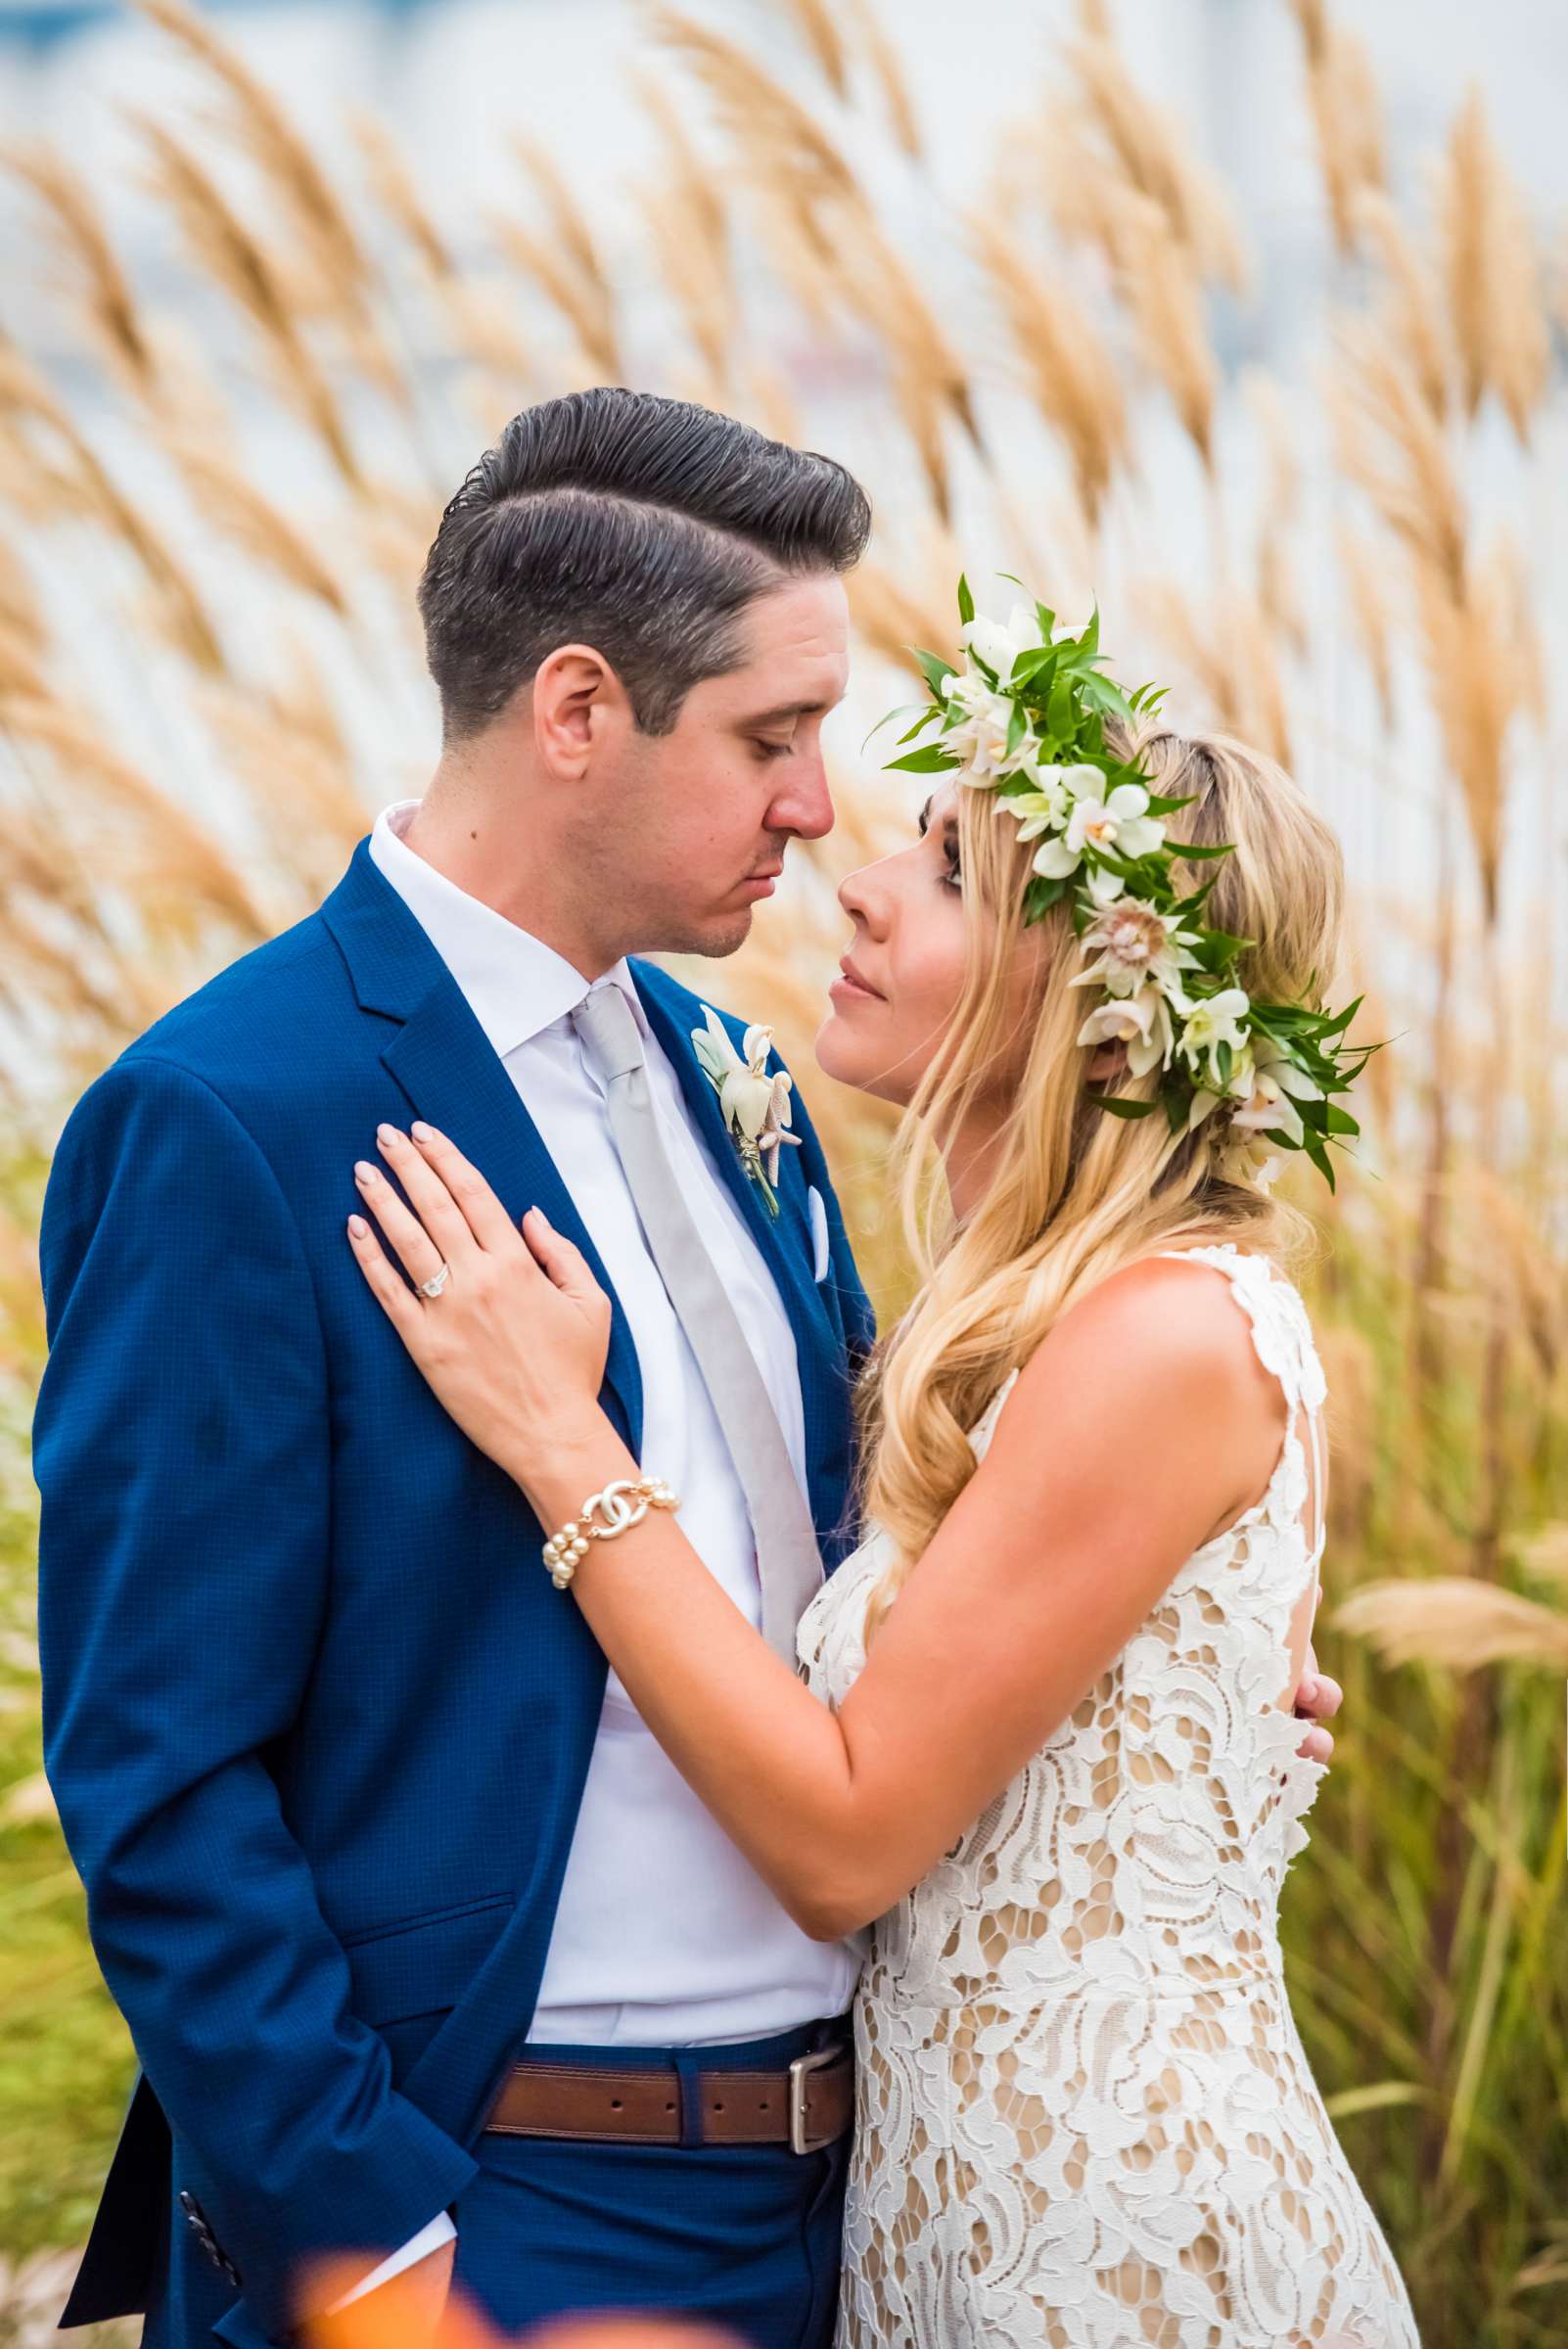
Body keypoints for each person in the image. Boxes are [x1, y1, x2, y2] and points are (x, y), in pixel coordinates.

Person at [32, 391, 1338, 2349]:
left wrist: (1154, 1691)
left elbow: (852, 1598)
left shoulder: (751, 1089)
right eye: (772, 740)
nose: (820, 809)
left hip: (864, 2206)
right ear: (576, 715)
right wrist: (371, 2243)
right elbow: (155, 1762)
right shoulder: (234, 1114)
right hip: (494, 2204)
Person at [342, 583, 1412, 2345]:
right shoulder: (1022, 1328)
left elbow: (842, 1842)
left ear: (1087, 997)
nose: (856, 872)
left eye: (949, 873)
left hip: (1113, 2234)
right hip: (941, 2206)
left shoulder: (1154, 1337)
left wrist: (558, 1444)